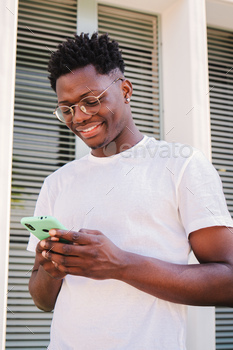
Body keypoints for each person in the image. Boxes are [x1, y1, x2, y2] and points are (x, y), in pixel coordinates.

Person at [27, 32, 233, 350]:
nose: (78, 117)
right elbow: (43, 301)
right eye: (66, 109)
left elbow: (228, 282)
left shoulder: (182, 165)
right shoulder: (57, 182)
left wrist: (119, 264)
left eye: (90, 101)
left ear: (125, 90)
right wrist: (51, 267)